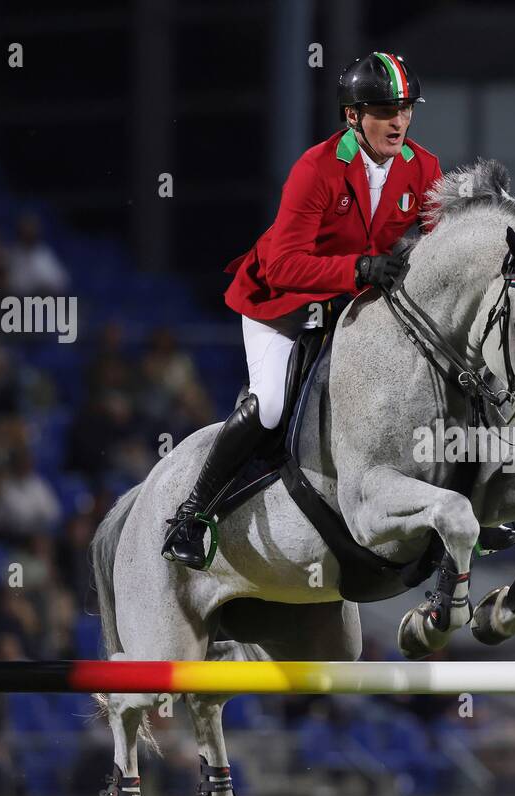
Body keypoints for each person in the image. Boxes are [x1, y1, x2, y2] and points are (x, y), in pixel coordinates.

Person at [162, 52, 440, 568]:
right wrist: (357, 269)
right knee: (270, 404)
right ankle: (192, 514)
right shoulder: (316, 169)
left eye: (404, 109)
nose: (398, 121)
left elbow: (438, 243)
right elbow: (285, 265)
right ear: (354, 116)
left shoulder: (422, 167)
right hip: (281, 303)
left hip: (350, 306)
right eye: (384, 110)